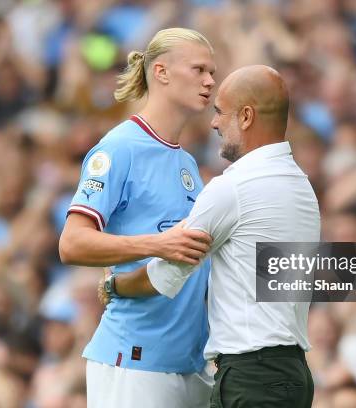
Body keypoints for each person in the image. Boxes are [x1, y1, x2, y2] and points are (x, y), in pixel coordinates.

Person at [109, 65, 321, 408]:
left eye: (220, 112)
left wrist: (112, 286)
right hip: (289, 373)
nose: (214, 123)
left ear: (247, 117)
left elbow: (165, 276)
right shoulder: (301, 185)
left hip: (252, 376)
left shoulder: (233, 188)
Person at [58, 28, 217, 408]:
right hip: (135, 360)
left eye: (212, 71)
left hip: (188, 364)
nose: (210, 81)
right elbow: (71, 243)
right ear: (161, 72)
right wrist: (156, 245)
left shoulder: (187, 162)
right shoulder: (119, 147)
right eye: (199, 70)